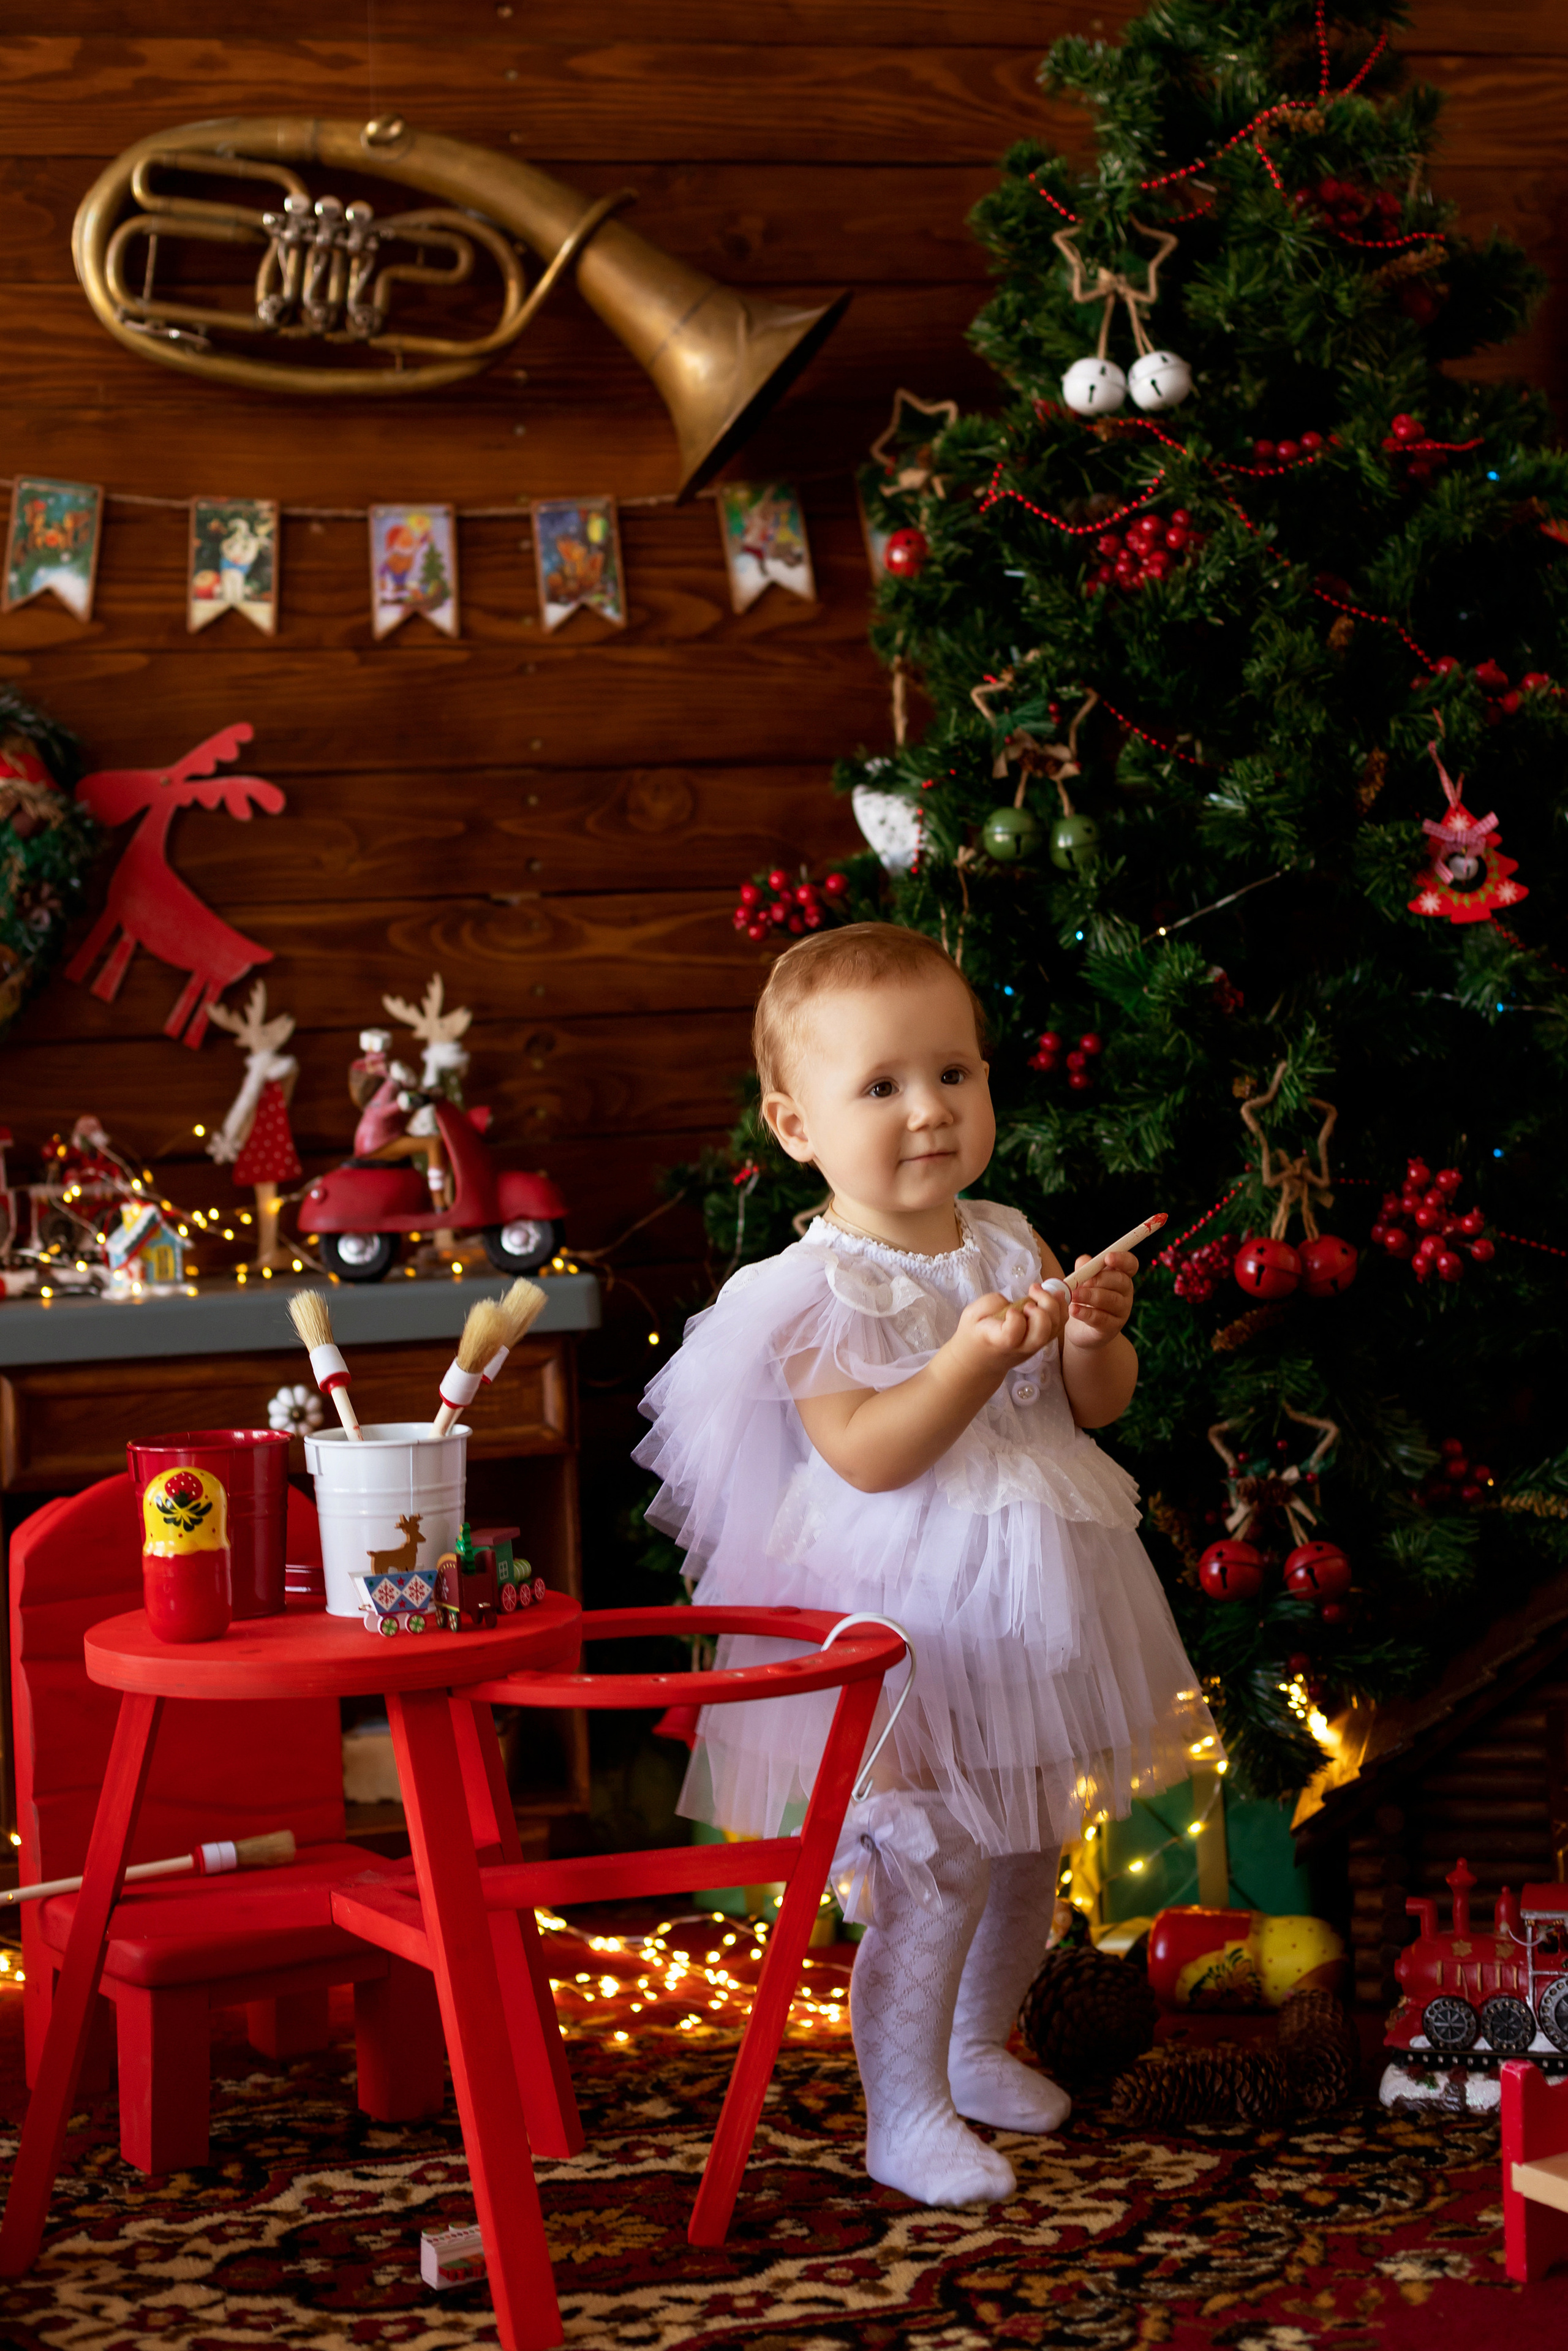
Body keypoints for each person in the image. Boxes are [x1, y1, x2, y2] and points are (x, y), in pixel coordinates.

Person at [636, 923, 1213, 2209]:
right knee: (932, 1856)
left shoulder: (1006, 1237)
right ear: (795, 1123)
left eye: (953, 1073)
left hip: (1026, 1605)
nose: (929, 1111)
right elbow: (866, 1453)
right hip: (888, 1616)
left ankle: (972, 2040)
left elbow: (1093, 1408)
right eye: (881, 1086)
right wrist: (963, 1358)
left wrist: (1087, 1339)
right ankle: (901, 2110)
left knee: (1024, 1841)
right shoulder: (807, 1287)